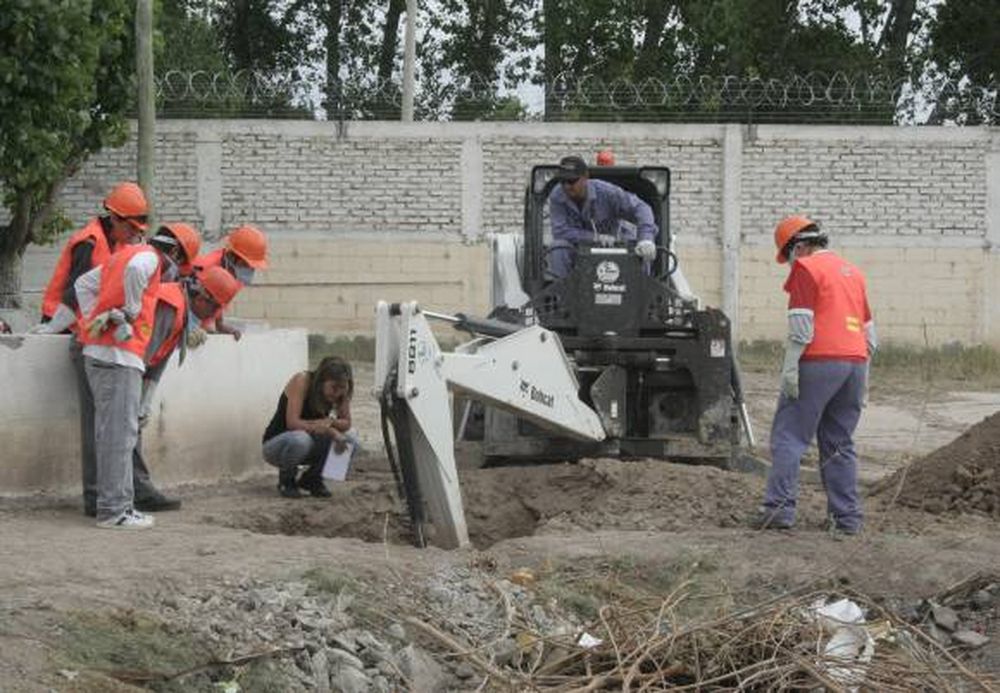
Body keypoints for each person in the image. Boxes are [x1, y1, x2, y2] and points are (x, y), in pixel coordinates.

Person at [754, 215, 877, 536]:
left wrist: (791, 367)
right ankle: (846, 519)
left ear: (800, 246)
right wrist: (865, 375)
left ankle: (778, 510)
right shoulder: (852, 272)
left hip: (819, 359)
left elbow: (800, 326)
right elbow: (869, 332)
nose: (790, 263)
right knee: (839, 442)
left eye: (789, 254)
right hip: (855, 361)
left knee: (789, 436)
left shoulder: (806, 269)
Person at [73, 223, 194, 528]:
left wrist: (92, 320)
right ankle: (115, 510)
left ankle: (114, 506)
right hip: (120, 358)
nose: (174, 274)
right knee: (119, 436)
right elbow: (137, 272)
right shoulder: (149, 258)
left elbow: (83, 286)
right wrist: (130, 308)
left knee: (109, 433)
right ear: (175, 251)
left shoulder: (121, 255)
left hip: (98, 353)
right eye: (179, 265)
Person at [546, 155, 657, 279]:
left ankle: (643, 289)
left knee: (641, 251)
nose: (567, 186)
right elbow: (560, 232)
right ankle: (562, 293)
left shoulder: (607, 192)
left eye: (572, 181)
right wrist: (594, 238)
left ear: (585, 177)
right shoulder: (557, 196)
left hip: (615, 245)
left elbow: (642, 208)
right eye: (563, 181)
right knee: (558, 247)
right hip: (578, 250)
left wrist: (646, 239)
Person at [262, 356, 358, 498]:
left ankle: (312, 479)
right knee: (301, 439)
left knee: (351, 440)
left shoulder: (342, 392)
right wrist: (329, 430)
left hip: (309, 445)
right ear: (321, 381)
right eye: (333, 387)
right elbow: (292, 423)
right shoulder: (302, 381)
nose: (337, 393)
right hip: (280, 445)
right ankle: (287, 481)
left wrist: (330, 422)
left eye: (342, 388)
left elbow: (346, 423)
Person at [190, 224, 269, 341]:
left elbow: (219, 302)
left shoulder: (235, 275)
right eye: (247, 265)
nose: (249, 270)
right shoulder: (204, 268)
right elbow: (191, 303)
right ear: (233, 257)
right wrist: (191, 327)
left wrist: (220, 326)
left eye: (252, 266)